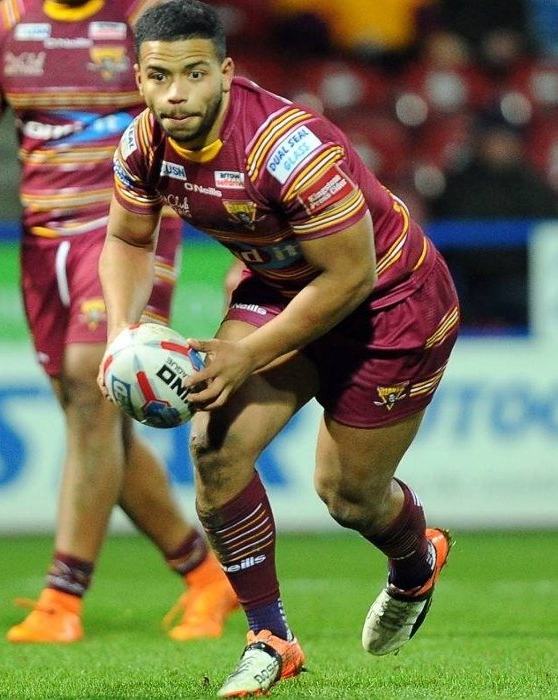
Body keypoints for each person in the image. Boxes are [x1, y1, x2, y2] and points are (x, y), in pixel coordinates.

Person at [98, 1, 460, 695]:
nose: (176, 94)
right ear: (138, 79)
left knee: (349, 498)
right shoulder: (142, 145)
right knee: (215, 446)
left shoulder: (287, 149)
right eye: (159, 77)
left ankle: (416, 563)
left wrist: (247, 353)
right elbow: (126, 238)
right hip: (282, 287)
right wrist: (122, 332)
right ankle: (271, 638)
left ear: (226, 72)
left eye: (195, 74)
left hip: (391, 306)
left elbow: (350, 278)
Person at [0, 0, 238, 645]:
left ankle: (62, 595)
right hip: (41, 240)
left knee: (90, 383)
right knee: (94, 418)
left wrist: (243, 239)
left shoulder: (144, 20)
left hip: (127, 231)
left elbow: (216, 115)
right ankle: (204, 573)